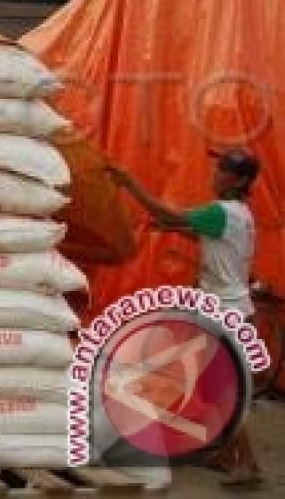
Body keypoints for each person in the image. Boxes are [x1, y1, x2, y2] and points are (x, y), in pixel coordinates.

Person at [108, 148, 262, 488]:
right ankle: (227, 453)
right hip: (228, 308)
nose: (215, 173)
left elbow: (170, 214)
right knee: (210, 386)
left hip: (225, 312)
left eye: (223, 169)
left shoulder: (222, 211)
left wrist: (130, 184)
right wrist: (173, 228)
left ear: (240, 180)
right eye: (218, 167)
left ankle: (247, 464)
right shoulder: (239, 214)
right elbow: (195, 232)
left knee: (223, 388)